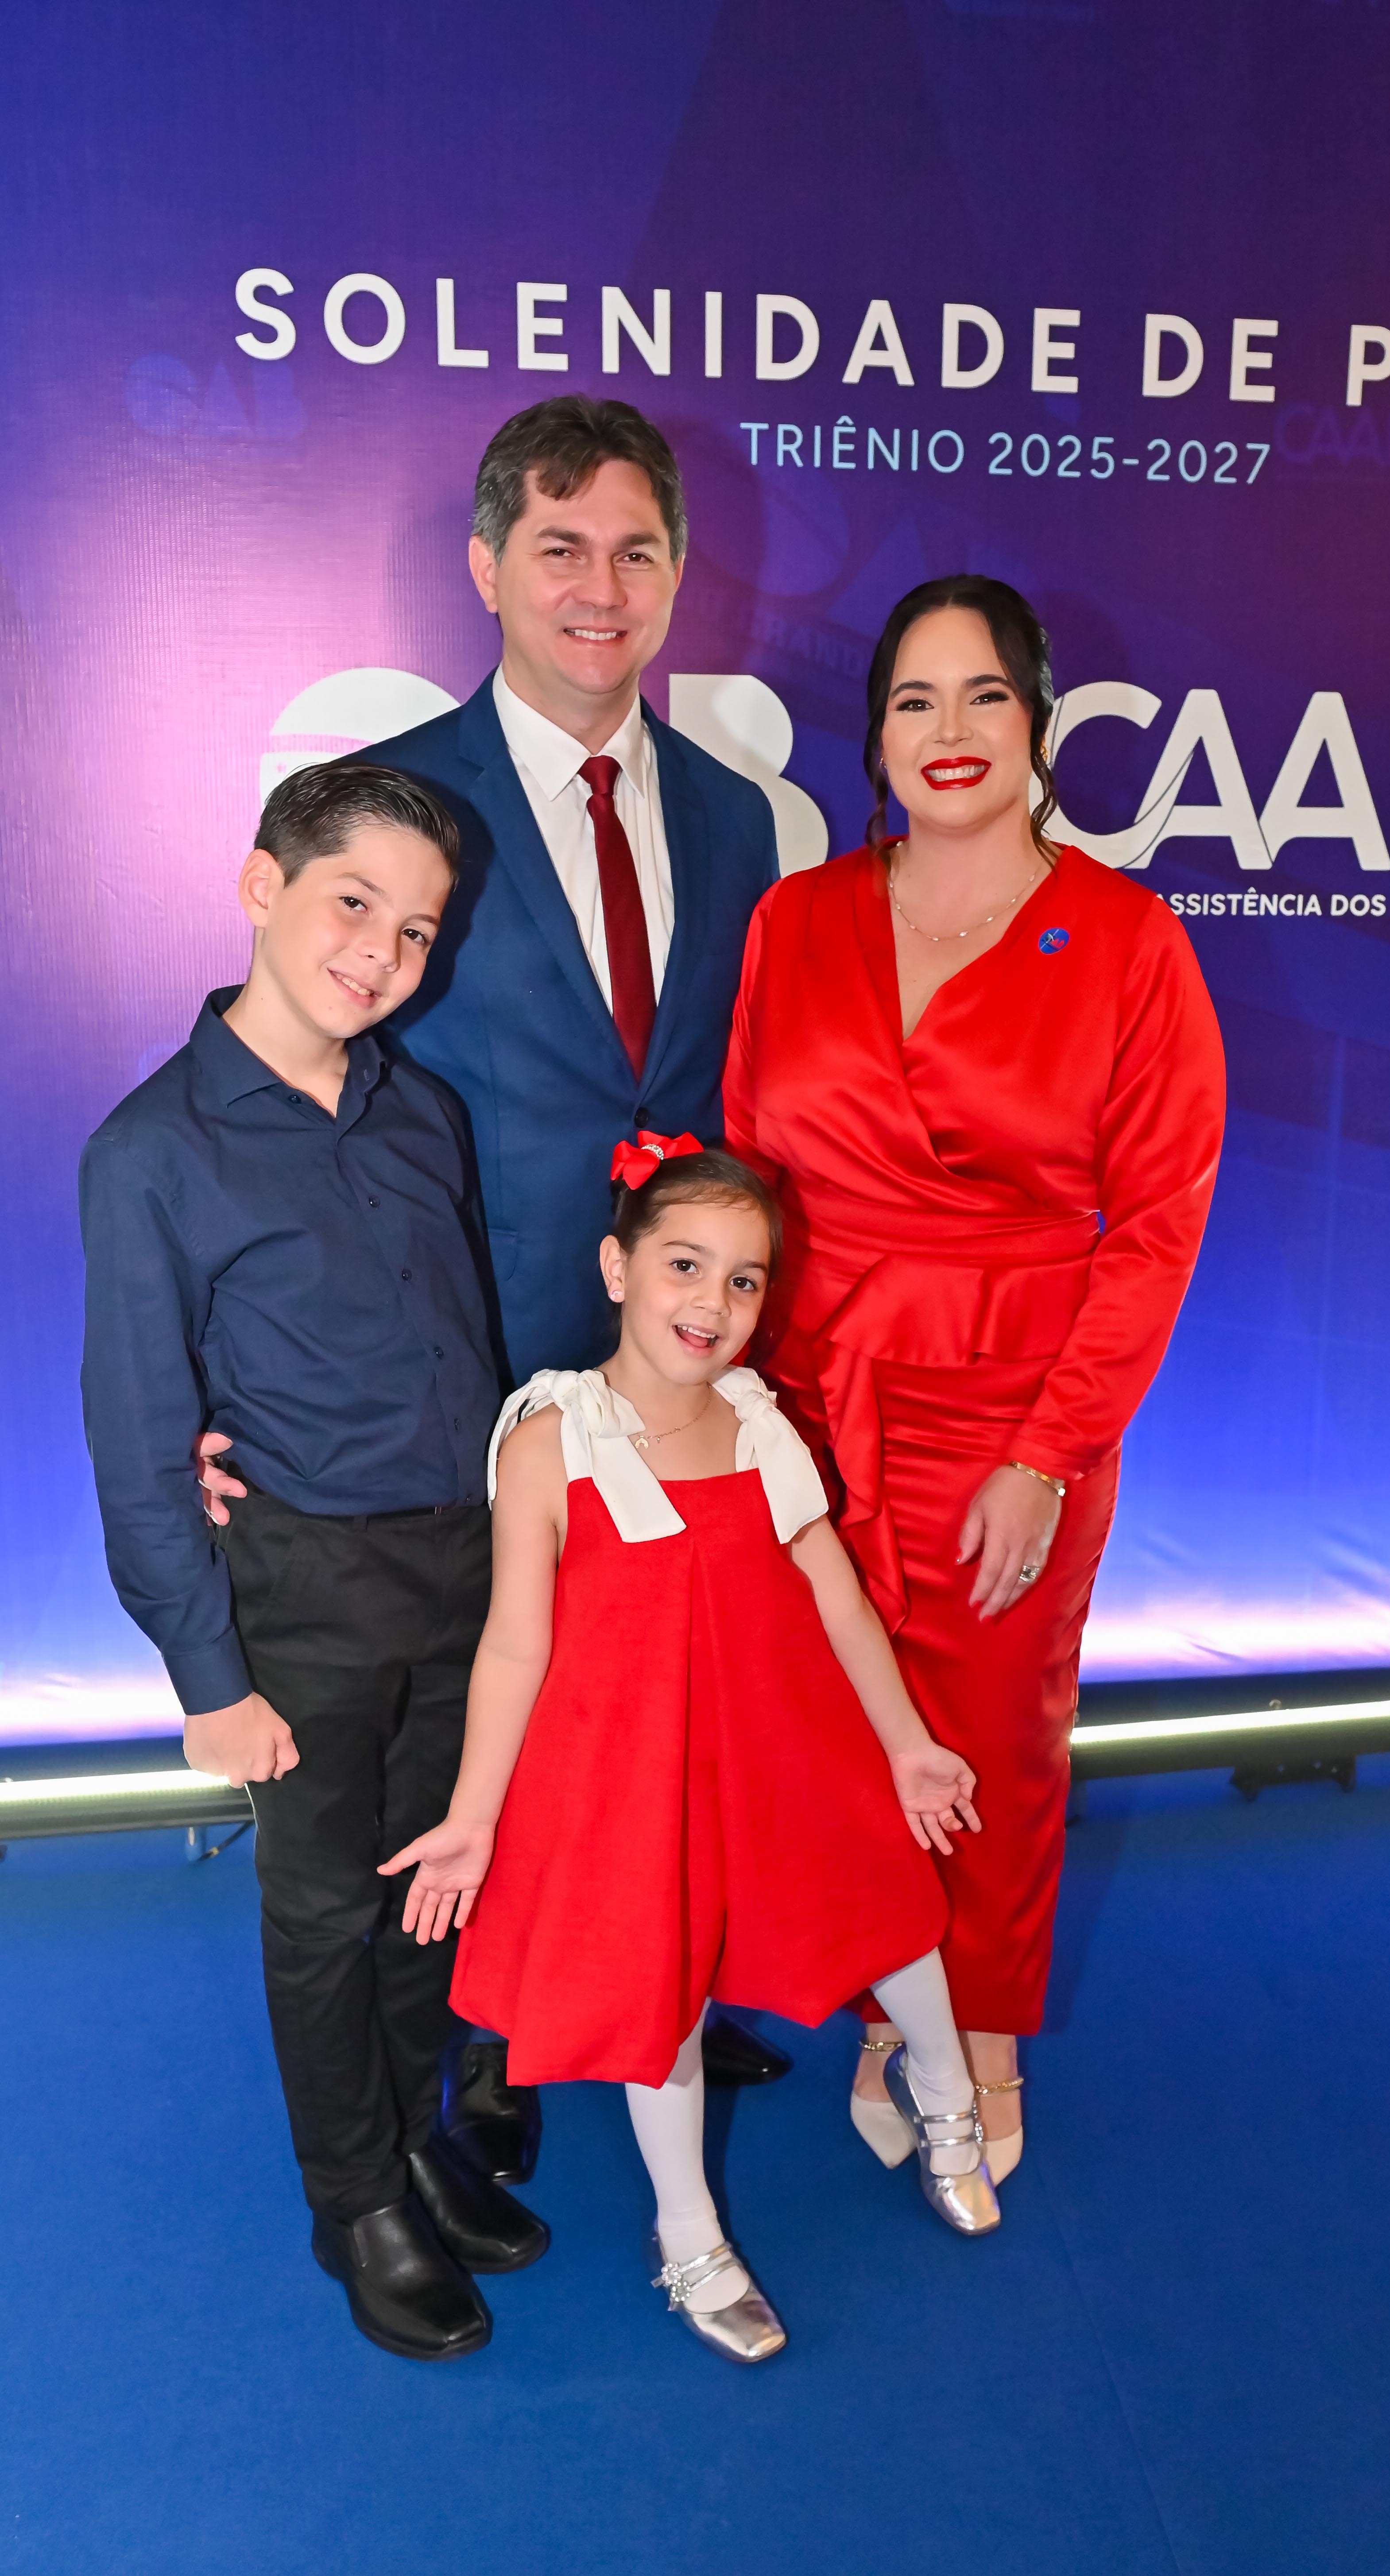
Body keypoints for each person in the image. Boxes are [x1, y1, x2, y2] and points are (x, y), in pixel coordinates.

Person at [199, 395, 788, 2162]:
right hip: (462, 1361)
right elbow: (281, 1090)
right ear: (485, 567)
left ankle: (656, 1962)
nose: (599, 587)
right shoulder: (401, 803)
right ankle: (497, 2035)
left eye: (635, 550)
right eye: (558, 547)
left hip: (667, 1352)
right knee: (488, 1697)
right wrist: (226, 1376)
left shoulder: (737, 817)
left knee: (658, 1687)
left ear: (678, 573)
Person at [722, 574, 1227, 2183]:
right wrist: (721, 1395)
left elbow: (1156, 1229)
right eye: (914, 700)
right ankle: (894, 2001)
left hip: (1015, 1412)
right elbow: (746, 1169)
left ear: (1038, 721)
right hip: (813, 1401)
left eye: (984, 694)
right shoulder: (796, 919)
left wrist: (1050, 1451)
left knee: (995, 1740)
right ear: (875, 734)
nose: (950, 731)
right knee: (842, 1728)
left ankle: (983, 2029)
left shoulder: (1130, 941)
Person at [379, 1138, 1000, 2364]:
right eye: (684, 1265)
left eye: (744, 1280)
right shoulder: (550, 1437)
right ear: (617, 1268)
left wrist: (908, 1745)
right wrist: (475, 1814)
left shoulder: (761, 1422)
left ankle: (950, 2101)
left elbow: (834, 1594)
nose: (712, 1302)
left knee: (891, 1914)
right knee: (654, 1984)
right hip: (628, 1766)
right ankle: (689, 2234)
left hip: (776, 1741)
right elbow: (513, 1642)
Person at [79, 763, 548, 2362]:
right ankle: (352, 2196)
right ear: (262, 885)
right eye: (355, 904)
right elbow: (142, 1436)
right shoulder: (151, 1150)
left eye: (418, 930)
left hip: (461, 1570)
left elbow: (466, 1347)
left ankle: (416, 2139)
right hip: (305, 1593)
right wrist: (208, 1676)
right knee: (323, 1910)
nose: (382, 952)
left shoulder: (426, 1112)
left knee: (434, 1881)